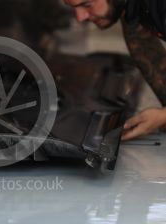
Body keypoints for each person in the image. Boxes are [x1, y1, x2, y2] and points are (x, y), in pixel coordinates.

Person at [63, 0, 166, 140]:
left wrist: (162, 117)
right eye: (73, 8)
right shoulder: (132, 11)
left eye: (87, 5)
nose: (80, 17)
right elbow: (155, 65)